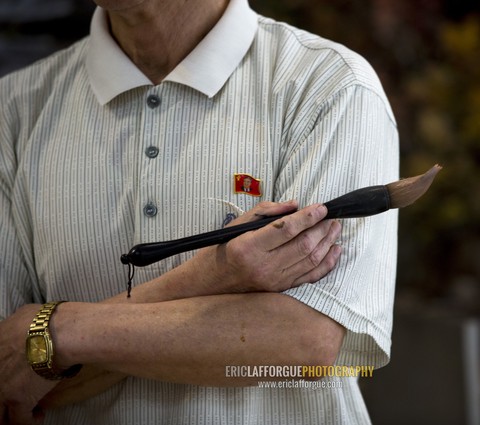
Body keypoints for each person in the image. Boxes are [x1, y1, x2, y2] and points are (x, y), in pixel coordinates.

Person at [0, 0, 399, 423]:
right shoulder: (14, 110)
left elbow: (304, 340)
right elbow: (8, 372)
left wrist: (58, 332)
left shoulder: (330, 85)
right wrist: (214, 276)